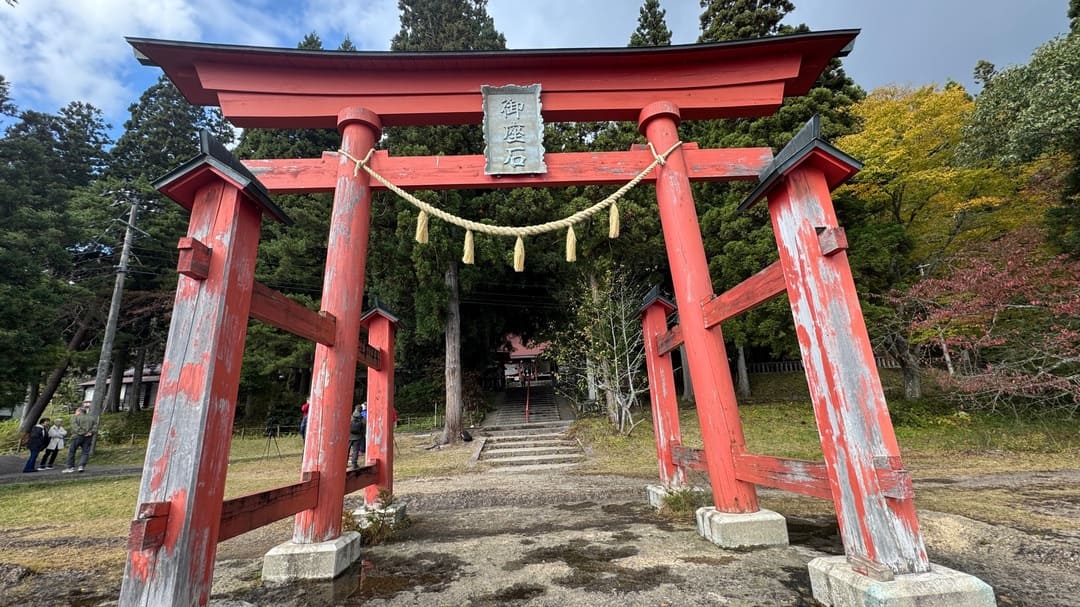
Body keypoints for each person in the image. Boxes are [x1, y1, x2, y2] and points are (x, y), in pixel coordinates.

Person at [62, 406, 98, 473]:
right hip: (88, 437)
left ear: (79, 411)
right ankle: (81, 466)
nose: (75, 413)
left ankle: (70, 467)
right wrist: (90, 432)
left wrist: (83, 433)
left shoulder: (74, 418)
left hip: (77, 436)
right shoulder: (91, 418)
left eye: (76, 411)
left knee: (72, 451)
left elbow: (75, 427)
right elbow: (95, 427)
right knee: (85, 452)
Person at [347, 402, 366, 469]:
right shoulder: (362, 419)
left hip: (349, 436)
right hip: (357, 437)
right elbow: (363, 428)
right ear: (361, 410)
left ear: (355, 409)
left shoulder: (350, 417)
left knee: (347, 450)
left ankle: (344, 463)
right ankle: (354, 464)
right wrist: (362, 435)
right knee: (355, 451)